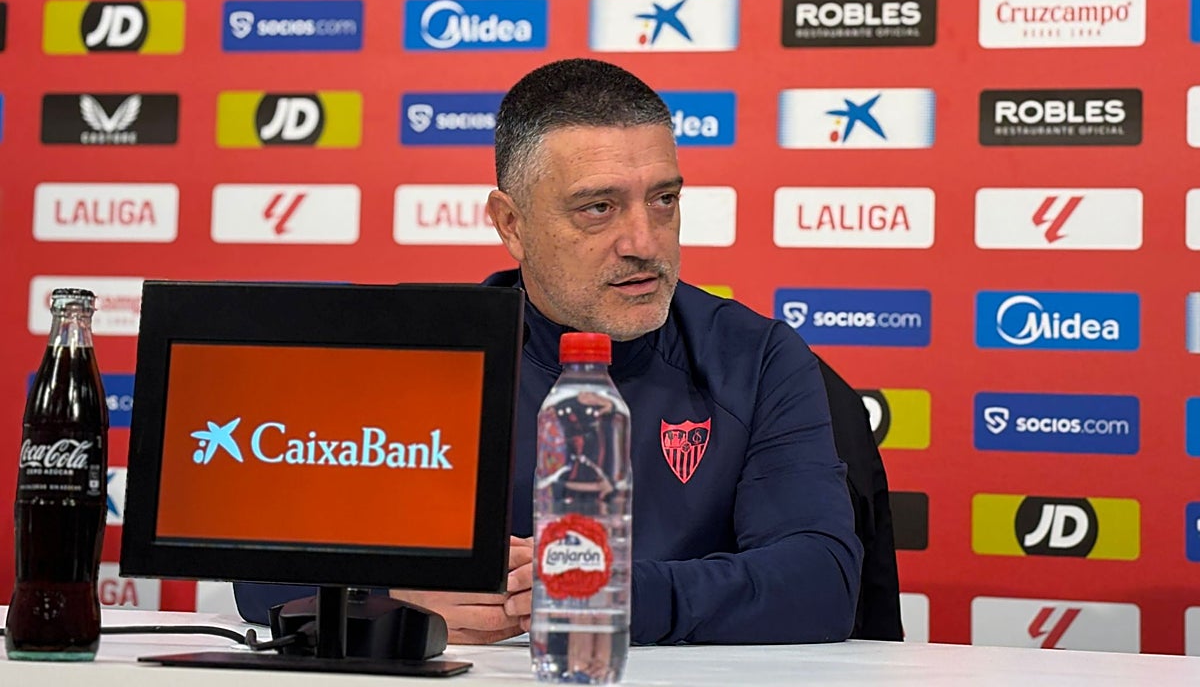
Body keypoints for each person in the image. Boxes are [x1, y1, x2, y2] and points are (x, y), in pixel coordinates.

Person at [235, 58, 863, 645]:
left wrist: (611, 596)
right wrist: (389, 594)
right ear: (510, 224)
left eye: (663, 200)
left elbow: (821, 582)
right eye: (598, 208)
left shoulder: (756, 358)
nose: (644, 242)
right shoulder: (420, 355)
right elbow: (262, 572)